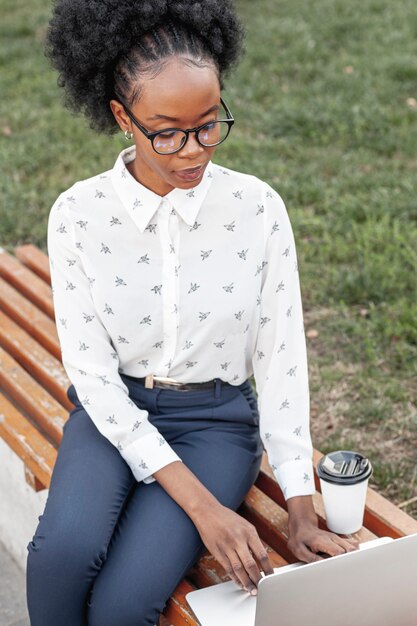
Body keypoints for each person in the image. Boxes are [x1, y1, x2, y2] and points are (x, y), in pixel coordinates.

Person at [26, 1, 359, 624]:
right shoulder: (77, 215)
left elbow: (282, 356)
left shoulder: (256, 209)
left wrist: (300, 501)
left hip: (215, 424)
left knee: (124, 605)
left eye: (209, 125)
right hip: (111, 412)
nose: (193, 152)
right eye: (168, 132)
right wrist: (204, 509)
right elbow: (92, 374)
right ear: (122, 117)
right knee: (59, 557)